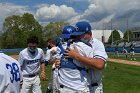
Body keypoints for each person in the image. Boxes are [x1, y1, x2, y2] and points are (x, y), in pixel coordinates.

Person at [64, 21, 108, 93]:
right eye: (76, 35)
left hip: (94, 87)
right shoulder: (77, 44)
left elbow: (100, 64)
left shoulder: (97, 44)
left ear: (90, 33)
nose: (78, 37)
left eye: (81, 35)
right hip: (80, 86)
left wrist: (76, 56)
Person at [54, 25, 93, 93]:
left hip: (63, 88)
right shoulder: (83, 46)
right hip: (79, 88)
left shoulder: (59, 48)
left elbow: (57, 63)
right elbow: (93, 64)